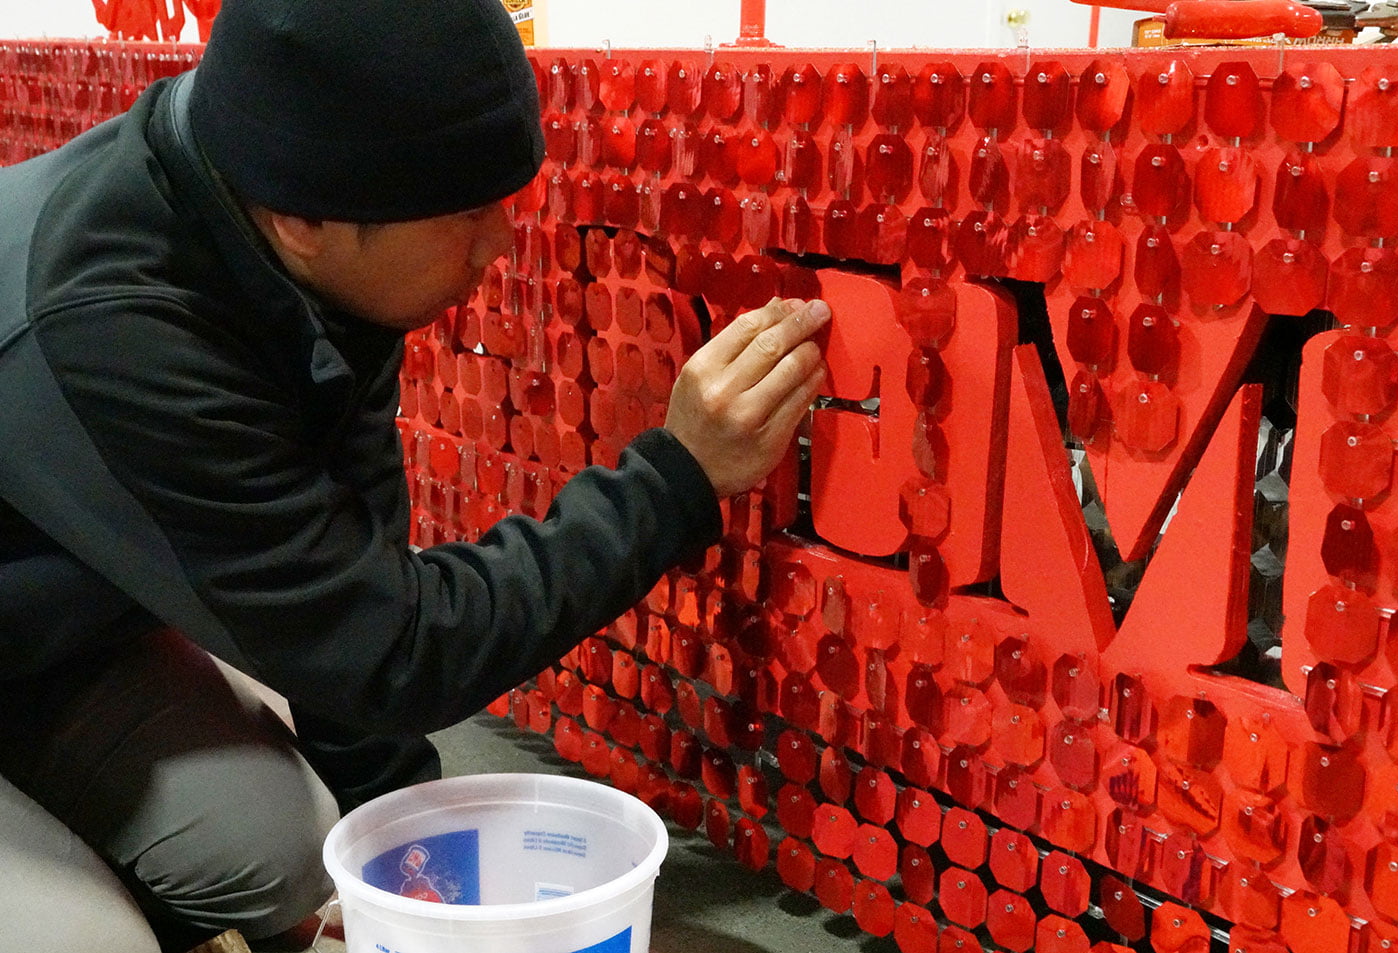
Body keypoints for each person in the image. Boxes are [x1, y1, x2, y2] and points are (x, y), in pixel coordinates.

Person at [0, 1, 830, 951]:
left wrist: (409, 871)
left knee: (296, 850)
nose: (500, 242)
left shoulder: (285, 185)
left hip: (52, 643)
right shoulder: (116, 326)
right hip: (43, 620)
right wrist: (674, 481)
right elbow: (391, 648)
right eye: (466, 214)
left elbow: (354, 612)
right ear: (305, 222)